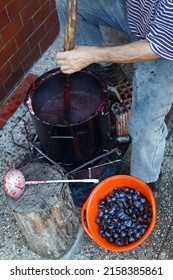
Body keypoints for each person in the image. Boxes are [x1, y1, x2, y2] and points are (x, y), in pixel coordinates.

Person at [56, 0, 173, 196]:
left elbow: (157, 46)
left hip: (164, 49)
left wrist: (92, 54)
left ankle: (145, 183)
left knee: (144, 125)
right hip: (137, 16)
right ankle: (104, 71)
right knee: (71, 4)